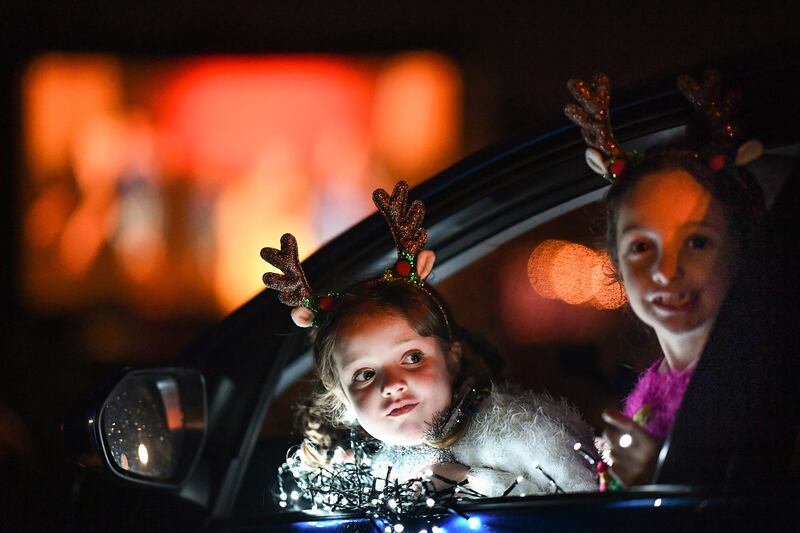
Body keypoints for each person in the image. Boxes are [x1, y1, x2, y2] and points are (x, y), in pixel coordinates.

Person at [261, 182, 597, 509]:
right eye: (363, 374)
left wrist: (469, 480)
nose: (392, 385)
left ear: (451, 359)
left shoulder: (524, 429)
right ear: (342, 400)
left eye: (412, 357)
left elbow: (594, 508)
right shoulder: (379, 470)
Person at [565, 71, 766, 488]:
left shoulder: (760, 388)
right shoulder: (657, 380)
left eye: (696, 242)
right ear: (617, 264)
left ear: (738, 250)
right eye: (641, 247)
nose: (665, 270)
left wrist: (662, 478)